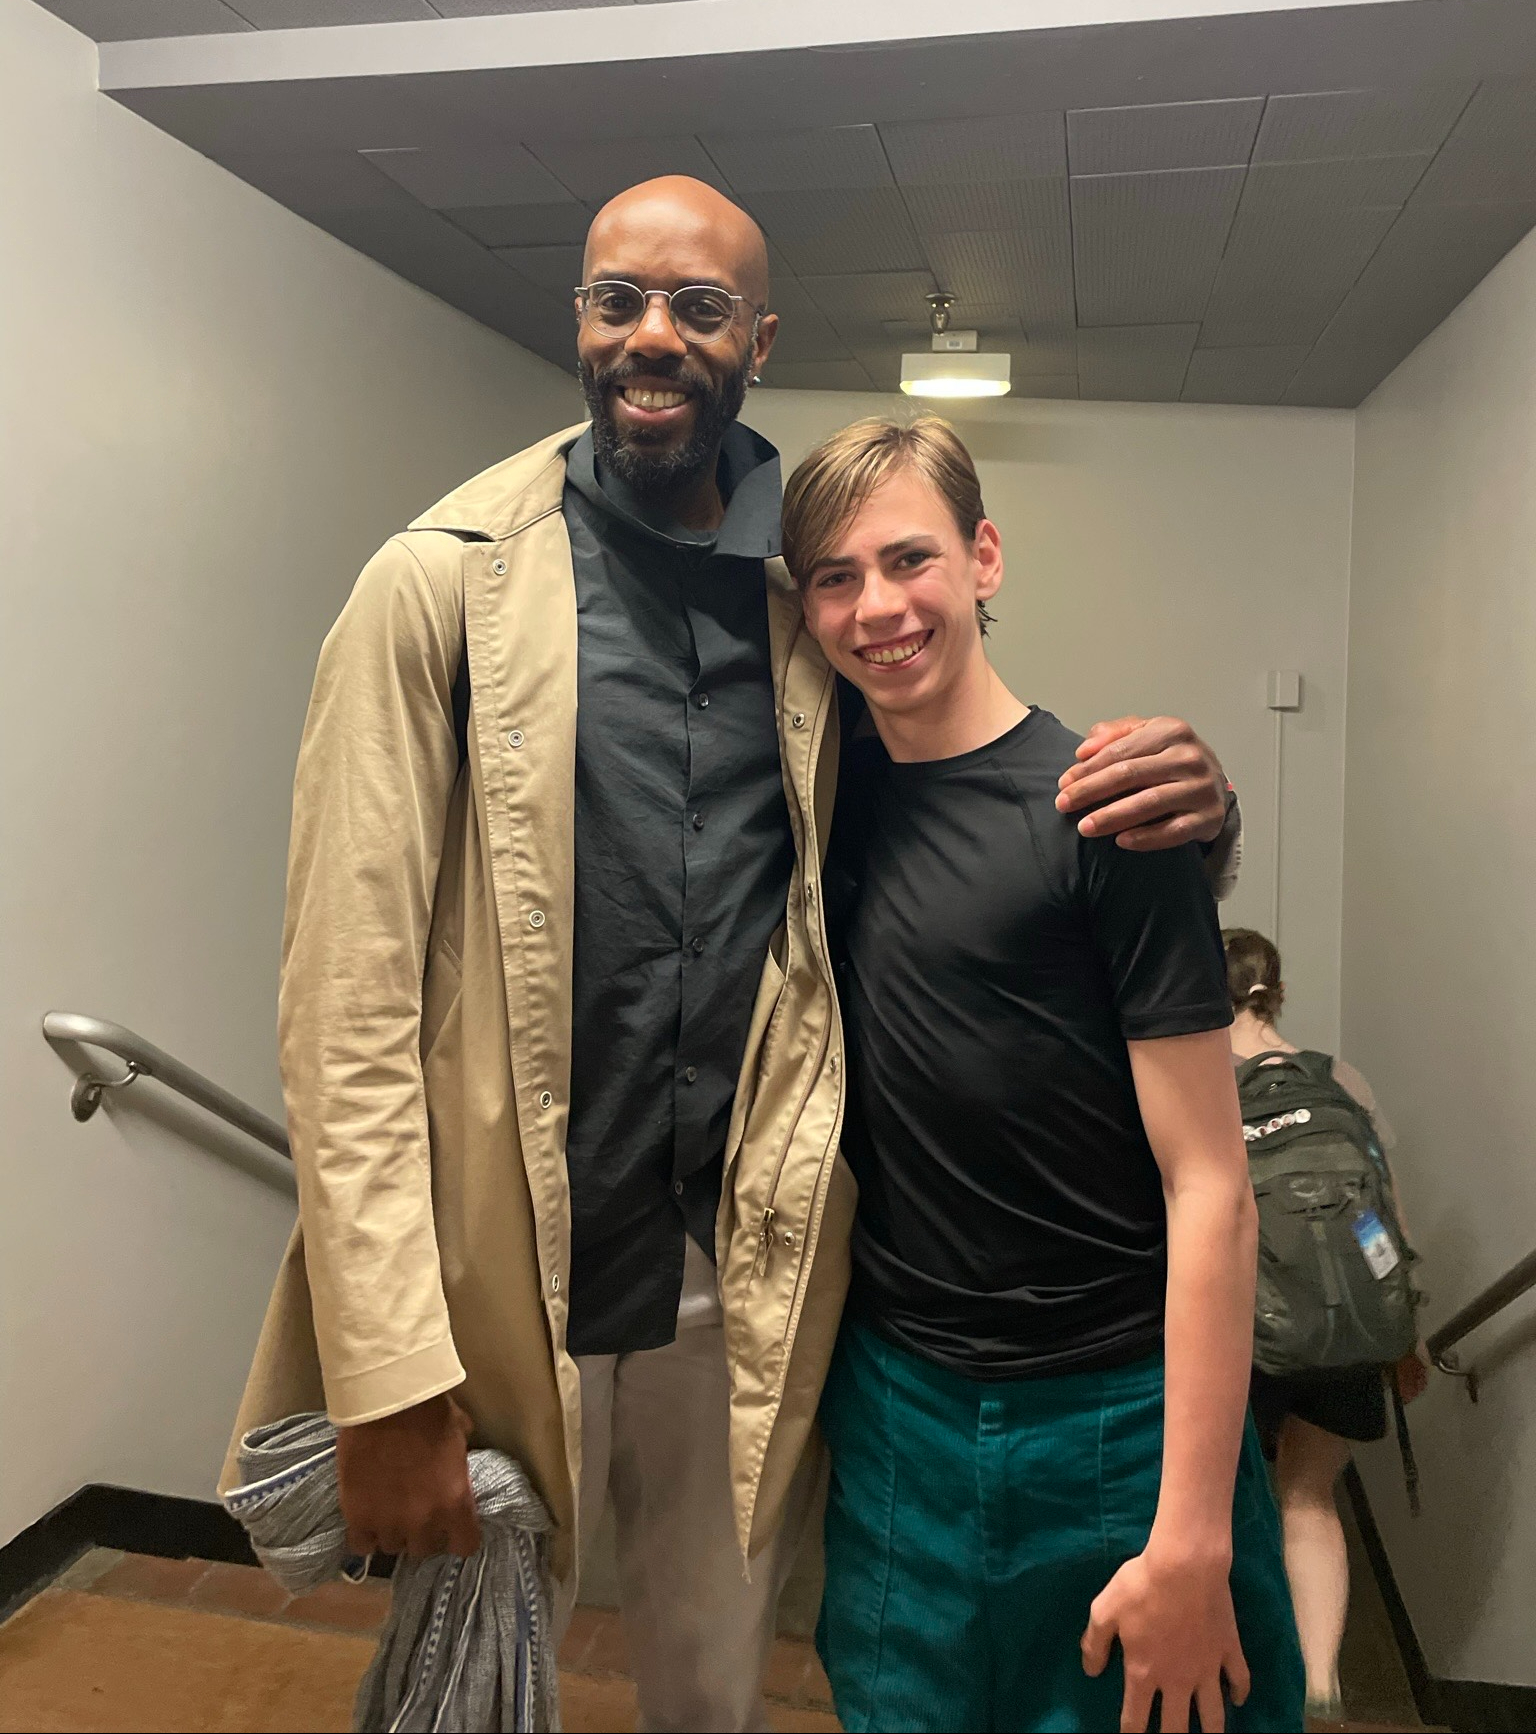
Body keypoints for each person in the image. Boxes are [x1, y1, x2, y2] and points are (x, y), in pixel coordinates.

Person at [225, 179, 1242, 1734]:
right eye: (616, 299)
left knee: (717, 1691)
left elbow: (972, 811)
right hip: (505, 1277)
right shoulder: (436, 585)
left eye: (698, 310)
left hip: (739, 1286)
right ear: (576, 320)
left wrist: (1197, 815)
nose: (652, 337)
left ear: (756, 340)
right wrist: (384, 1367)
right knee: (466, 1697)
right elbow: (346, 1008)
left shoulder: (814, 594)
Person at [780, 415, 1304, 1734]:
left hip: (1120, 1416)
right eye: (835, 577)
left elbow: (1211, 1187)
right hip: (900, 1413)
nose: (876, 606)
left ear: (985, 556)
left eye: (909, 559)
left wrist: (1190, 1535)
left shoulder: (1111, 814)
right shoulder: (816, 810)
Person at [1224, 928, 1427, 1727]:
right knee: (1309, 1498)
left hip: (1241, 1328)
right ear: (1277, 989)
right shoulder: (1342, 1081)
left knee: (1224, 1500)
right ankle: (1318, 1683)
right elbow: (1386, 1218)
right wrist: (1403, 1335)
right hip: (1345, 1327)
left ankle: (1234, 1675)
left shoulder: (1201, 1077)